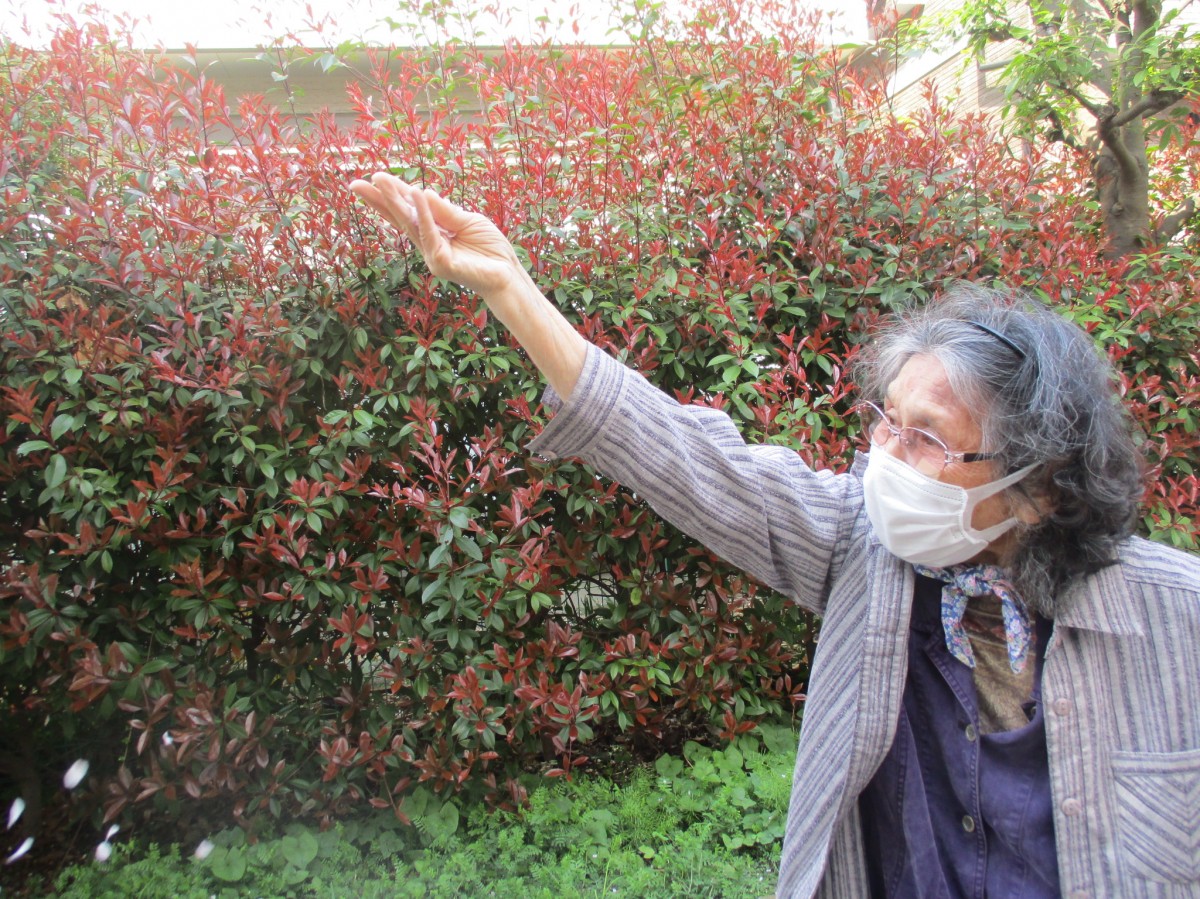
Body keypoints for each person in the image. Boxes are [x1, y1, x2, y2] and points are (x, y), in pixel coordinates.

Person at [349, 173, 1200, 898]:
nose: (886, 458)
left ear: (1040, 486)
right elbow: (687, 458)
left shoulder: (1176, 618)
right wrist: (512, 291)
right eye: (886, 421)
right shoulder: (863, 549)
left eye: (926, 438)